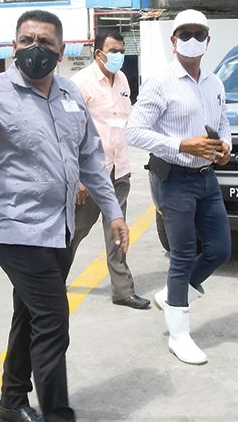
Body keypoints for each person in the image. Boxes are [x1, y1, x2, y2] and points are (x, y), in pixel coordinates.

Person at [0, 10, 129, 422]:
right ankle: (57, 413)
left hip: (59, 228)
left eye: (45, 42)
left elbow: (90, 159)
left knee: (28, 315)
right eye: (27, 40)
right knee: (52, 318)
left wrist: (113, 212)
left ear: (61, 52)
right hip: (15, 229)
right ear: (13, 47)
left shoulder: (69, 93)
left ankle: (11, 403)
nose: (35, 49)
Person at [126, 9, 232, 365]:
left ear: (207, 40)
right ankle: (179, 335)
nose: (191, 39)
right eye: (183, 33)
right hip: (174, 179)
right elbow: (134, 131)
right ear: (173, 41)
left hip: (207, 178)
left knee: (220, 249)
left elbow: (224, 123)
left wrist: (225, 148)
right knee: (183, 254)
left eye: (197, 33)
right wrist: (182, 145)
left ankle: (175, 295)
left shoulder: (215, 83)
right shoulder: (160, 83)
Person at [69, 31, 149, 310]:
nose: (118, 55)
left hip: (119, 170)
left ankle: (122, 291)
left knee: (118, 233)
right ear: (98, 53)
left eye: (121, 50)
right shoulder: (79, 83)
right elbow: (70, 132)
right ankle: (51, 279)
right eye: (113, 51)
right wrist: (78, 177)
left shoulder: (124, 80)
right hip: (91, 174)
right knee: (75, 230)